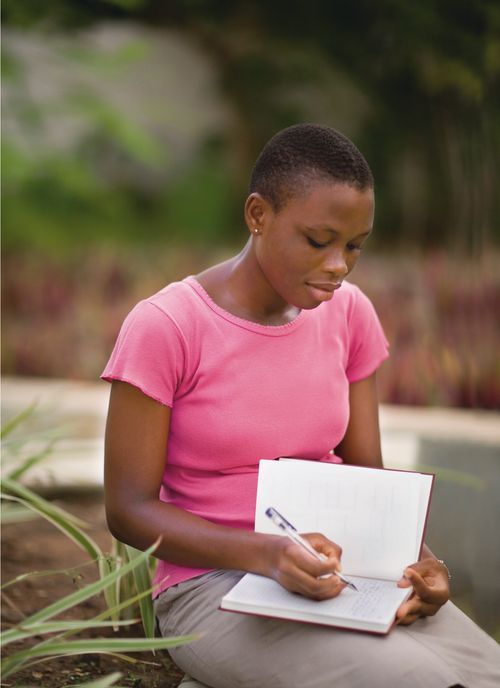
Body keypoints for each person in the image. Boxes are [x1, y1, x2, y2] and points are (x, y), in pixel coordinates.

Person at [102, 124, 500, 688]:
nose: (339, 264)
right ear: (258, 215)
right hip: (215, 588)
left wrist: (422, 563)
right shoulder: (167, 327)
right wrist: (267, 555)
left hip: (351, 578)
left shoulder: (349, 314)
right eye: (319, 241)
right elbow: (128, 510)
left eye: (355, 245)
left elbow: (367, 474)